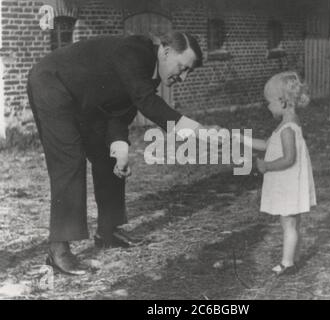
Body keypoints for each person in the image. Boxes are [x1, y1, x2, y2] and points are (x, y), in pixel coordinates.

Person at [27, 31, 214, 275]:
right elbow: (145, 102)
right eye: (183, 67)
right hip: (51, 85)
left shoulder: (149, 71)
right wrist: (196, 130)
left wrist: (120, 147)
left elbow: (117, 111)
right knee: (70, 161)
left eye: (189, 71)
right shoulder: (135, 52)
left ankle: (108, 231)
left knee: (109, 156)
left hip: (83, 99)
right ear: (166, 51)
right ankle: (58, 251)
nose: (184, 77)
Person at [234, 71, 316, 276]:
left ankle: (287, 263)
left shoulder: (288, 127)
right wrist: (241, 138)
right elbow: (266, 145)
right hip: (290, 181)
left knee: (288, 222)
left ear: (283, 102)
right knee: (291, 222)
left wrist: (267, 166)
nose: (268, 106)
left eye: (269, 102)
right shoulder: (288, 123)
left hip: (288, 181)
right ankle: (293, 257)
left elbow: (289, 158)